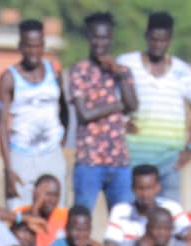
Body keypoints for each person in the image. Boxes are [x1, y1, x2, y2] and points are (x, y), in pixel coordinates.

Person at [116, 12, 191, 202]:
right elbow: (111, 99)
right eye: (154, 39)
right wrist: (122, 122)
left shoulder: (183, 71)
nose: (157, 45)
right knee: (131, 217)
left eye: (163, 40)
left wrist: (190, 148)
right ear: (147, 37)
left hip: (169, 161)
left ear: (170, 39)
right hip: (134, 158)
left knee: (168, 218)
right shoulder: (127, 63)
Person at [69, 12, 138, 212]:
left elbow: (132, 104)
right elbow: (85, 114)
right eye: (95, 37)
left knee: (122, 221)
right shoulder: (79, 70)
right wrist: (118, 105)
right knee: (83, 218)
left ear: (111, 38)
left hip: (119, 160)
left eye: (104, 37)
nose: (100, 43)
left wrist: (119, 74)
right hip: (89, 160)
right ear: (88, 38)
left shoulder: (122, 71)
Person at [0, 20, 67, 209]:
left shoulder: (54, 72)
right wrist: (8, 168)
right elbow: (3, 124)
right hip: (21, 154)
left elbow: (64, 109)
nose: (33, 51)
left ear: (43, 45)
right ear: (20, 46)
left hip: (51, 153)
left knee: (55, 213)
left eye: (37, 45)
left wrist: (60, 141)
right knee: (19, 213)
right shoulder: (9, 78)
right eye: (28, 45)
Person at [104, 164, 191, 246]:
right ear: (132, 188)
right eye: (140, 188)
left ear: (158, 187)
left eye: (149, 188)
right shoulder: (121, 211)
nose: (145, 194)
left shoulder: (172, 208)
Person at [16, 175, 68, 246]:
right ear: (35, 193)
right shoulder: (21, 212)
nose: (52, 200)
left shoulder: (65, 216)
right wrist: (35, 207)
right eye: (47, 194)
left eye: (56, 195)